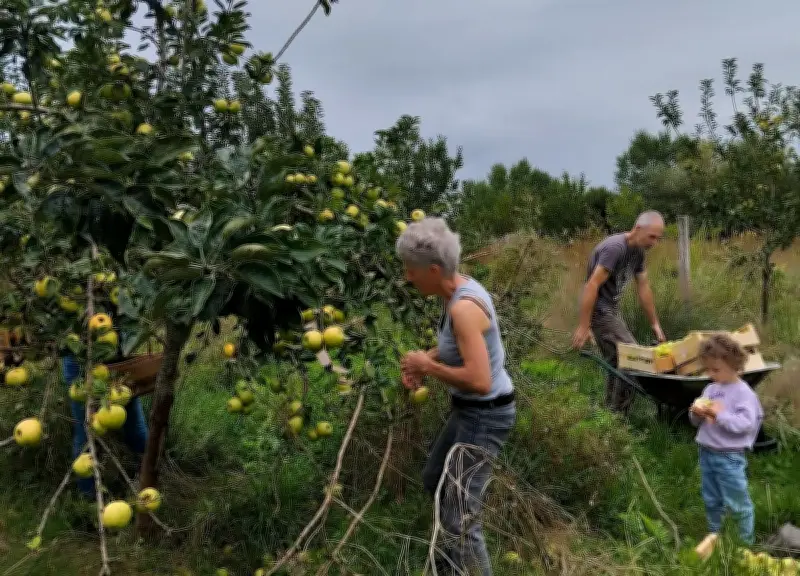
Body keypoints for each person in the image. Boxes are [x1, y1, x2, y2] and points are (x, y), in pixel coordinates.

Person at [396, 217, 515, 576]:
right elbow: (458, 348)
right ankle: (448, 568)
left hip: (486, 415)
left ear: (433, 270)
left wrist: (428, 368)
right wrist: (427, 359)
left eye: (410, 270)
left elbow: (479, 380)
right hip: (469, 412)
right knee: (435, 478)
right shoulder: (457, 291)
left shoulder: (463, 308)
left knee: (461, 516)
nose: (407, 277)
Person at [572, 211, 666, 413]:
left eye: (658, 238)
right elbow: (591, 285)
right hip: (600, 312)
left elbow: (644, 287)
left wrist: (655, 324)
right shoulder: (615, 248)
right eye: (652, 237)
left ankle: (609, 415)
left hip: (612, 311)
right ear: (638, 229)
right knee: (633, 359)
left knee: (618, 363)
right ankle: (618, 416)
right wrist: (584, 325)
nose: (654, 243)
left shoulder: (638, 252)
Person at [689, 334, 763, 545]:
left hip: (729, 457)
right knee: (711, 498)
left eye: (716, 370)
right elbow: (697, 423)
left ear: (734, 365)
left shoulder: (744, 394)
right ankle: (715, 535)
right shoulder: (711, 389)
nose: (711, 374)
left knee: (737, 501)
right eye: (708, 369)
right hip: (707, 452)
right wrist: (696, 412)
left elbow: (745, 425)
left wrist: (717, 415)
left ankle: (743, 543)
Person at [63, 353, 149, 499]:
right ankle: (88, 497)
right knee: (85, 434)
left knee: (136, 429)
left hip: (115, 360)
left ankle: (148, 479)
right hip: (79, 364)